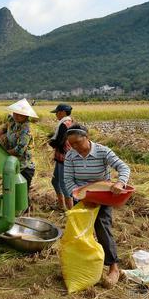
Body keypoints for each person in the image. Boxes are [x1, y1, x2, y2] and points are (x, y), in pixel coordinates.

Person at [64, 123, 130, 287]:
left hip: (102, 196)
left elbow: (123, 167)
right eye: (71, 144)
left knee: (102, 227)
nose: (75, 147)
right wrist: (79, 195)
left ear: (87, 138)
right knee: (80, 230)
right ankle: (86, 262)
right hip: (82, 197)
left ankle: (113, 267)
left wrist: (120, 183)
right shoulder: (70, 156)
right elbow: (68, 180)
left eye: (77, 143)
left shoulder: (102, 151)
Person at [0, 99, 37, 212]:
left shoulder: (26, 130)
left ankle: (25, 212)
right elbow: (3, 128)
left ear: (26, 116)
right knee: (10, 188)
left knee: (21, 190)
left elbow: (19, 150)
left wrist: (2, 153)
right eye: (15, 113)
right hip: (11, 162)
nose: (17, 116)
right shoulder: (11, 120)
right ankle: (12, 210)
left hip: (23, 165)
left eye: (20, 114)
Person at [48, 103, 74, 211]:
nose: (56, 115)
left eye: (57, 112)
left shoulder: (64, 124)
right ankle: (61, 205)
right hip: (61, 157)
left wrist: (51, 142)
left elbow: (60, 141)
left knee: (63, 184)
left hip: (65, 157)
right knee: (55, 181)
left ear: (63, 112)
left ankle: (71, 211)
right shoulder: (68, 122)